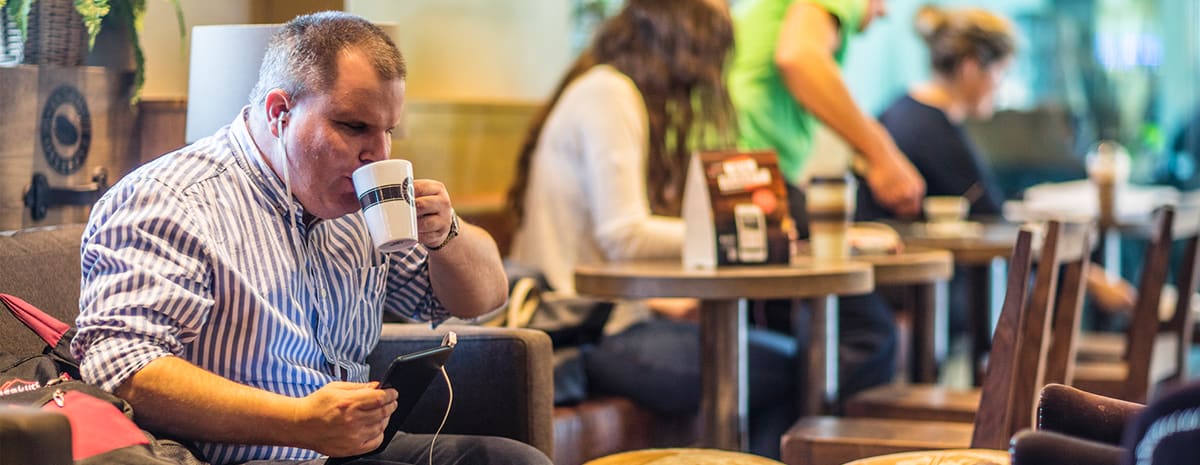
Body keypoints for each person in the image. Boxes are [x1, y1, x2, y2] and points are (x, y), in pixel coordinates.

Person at [71, 12, 550, 465]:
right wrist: (297, 422)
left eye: (389, 131)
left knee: (512, 460)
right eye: (354, 126)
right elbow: (122, 368)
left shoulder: (359, 200)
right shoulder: (173, 200)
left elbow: (481, 300)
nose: (377, 153)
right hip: (243, 454)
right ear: (280, 112)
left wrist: (447, 235)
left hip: (347, 450)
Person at [506, 0, 797, 457]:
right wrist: (730, 233)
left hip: (609, 322)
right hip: (586, 334)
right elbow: (622, 234)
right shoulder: (608, 92)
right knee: (787, 364)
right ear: (680, 42)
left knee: (781, 355)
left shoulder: (607, 89)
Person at [857, 5, 1135, 317]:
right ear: (971, 67)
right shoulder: (933, 130)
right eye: (1000, 72)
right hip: (918, 289)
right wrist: (1091, 280)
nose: (1001, 86)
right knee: (1038, 292)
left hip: (904, 280)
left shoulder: (902, 109)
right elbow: (994, 223)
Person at [726, 0, 909, 399]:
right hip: (750, 179)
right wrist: (883, 156)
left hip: (739, 178)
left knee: (781, 334)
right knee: (871, 336)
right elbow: (800, 58)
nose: (885, 12)